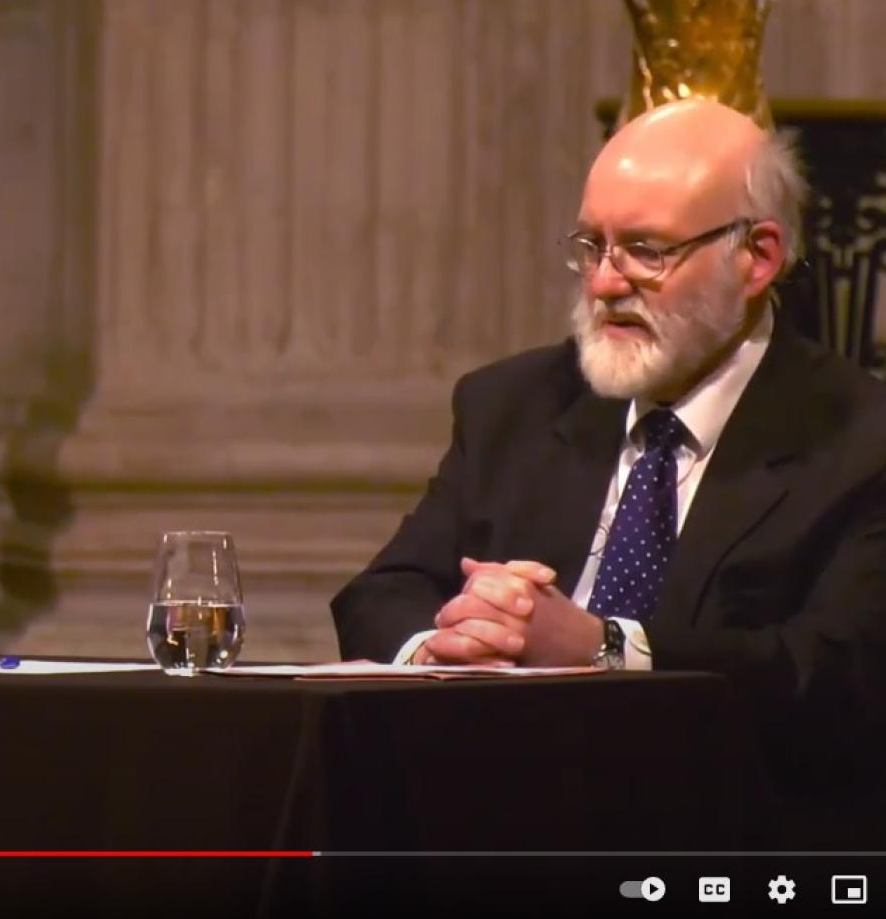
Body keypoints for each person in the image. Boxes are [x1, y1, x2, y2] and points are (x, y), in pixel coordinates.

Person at [332, 98, 886, 840]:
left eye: (648, 251)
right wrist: (447, 643)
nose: (603, 284)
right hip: (494, 822)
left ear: (758, 257)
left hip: (730, 834)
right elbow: (381, 593)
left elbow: (837, 676)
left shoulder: (860, 438)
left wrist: (604, 648)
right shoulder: (513, 405)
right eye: (592, 246)